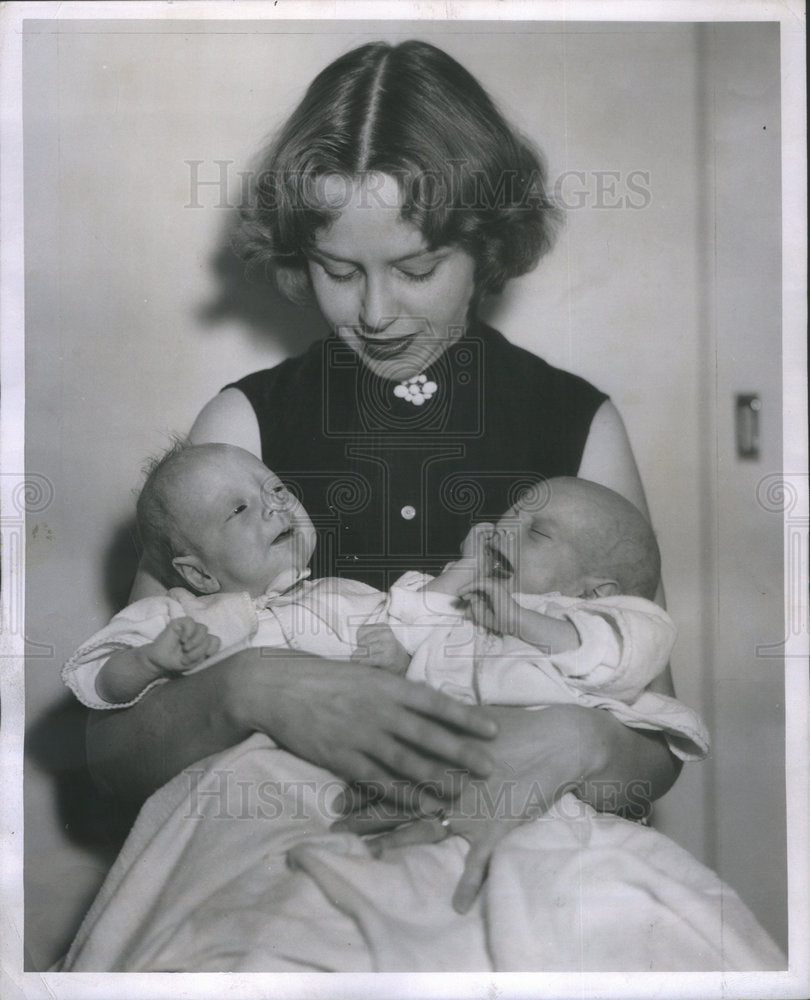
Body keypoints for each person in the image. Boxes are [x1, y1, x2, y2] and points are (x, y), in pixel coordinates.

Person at [86, 39, 682, 834]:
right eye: (339, 271)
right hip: (285, 838)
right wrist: (250, 688)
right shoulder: (243, 425)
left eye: (416, 268)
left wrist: (576, 741)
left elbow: (659, 748)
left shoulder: (575, 421)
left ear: (486, 244)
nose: (374, 312)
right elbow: (113, 757)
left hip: (527, 845)